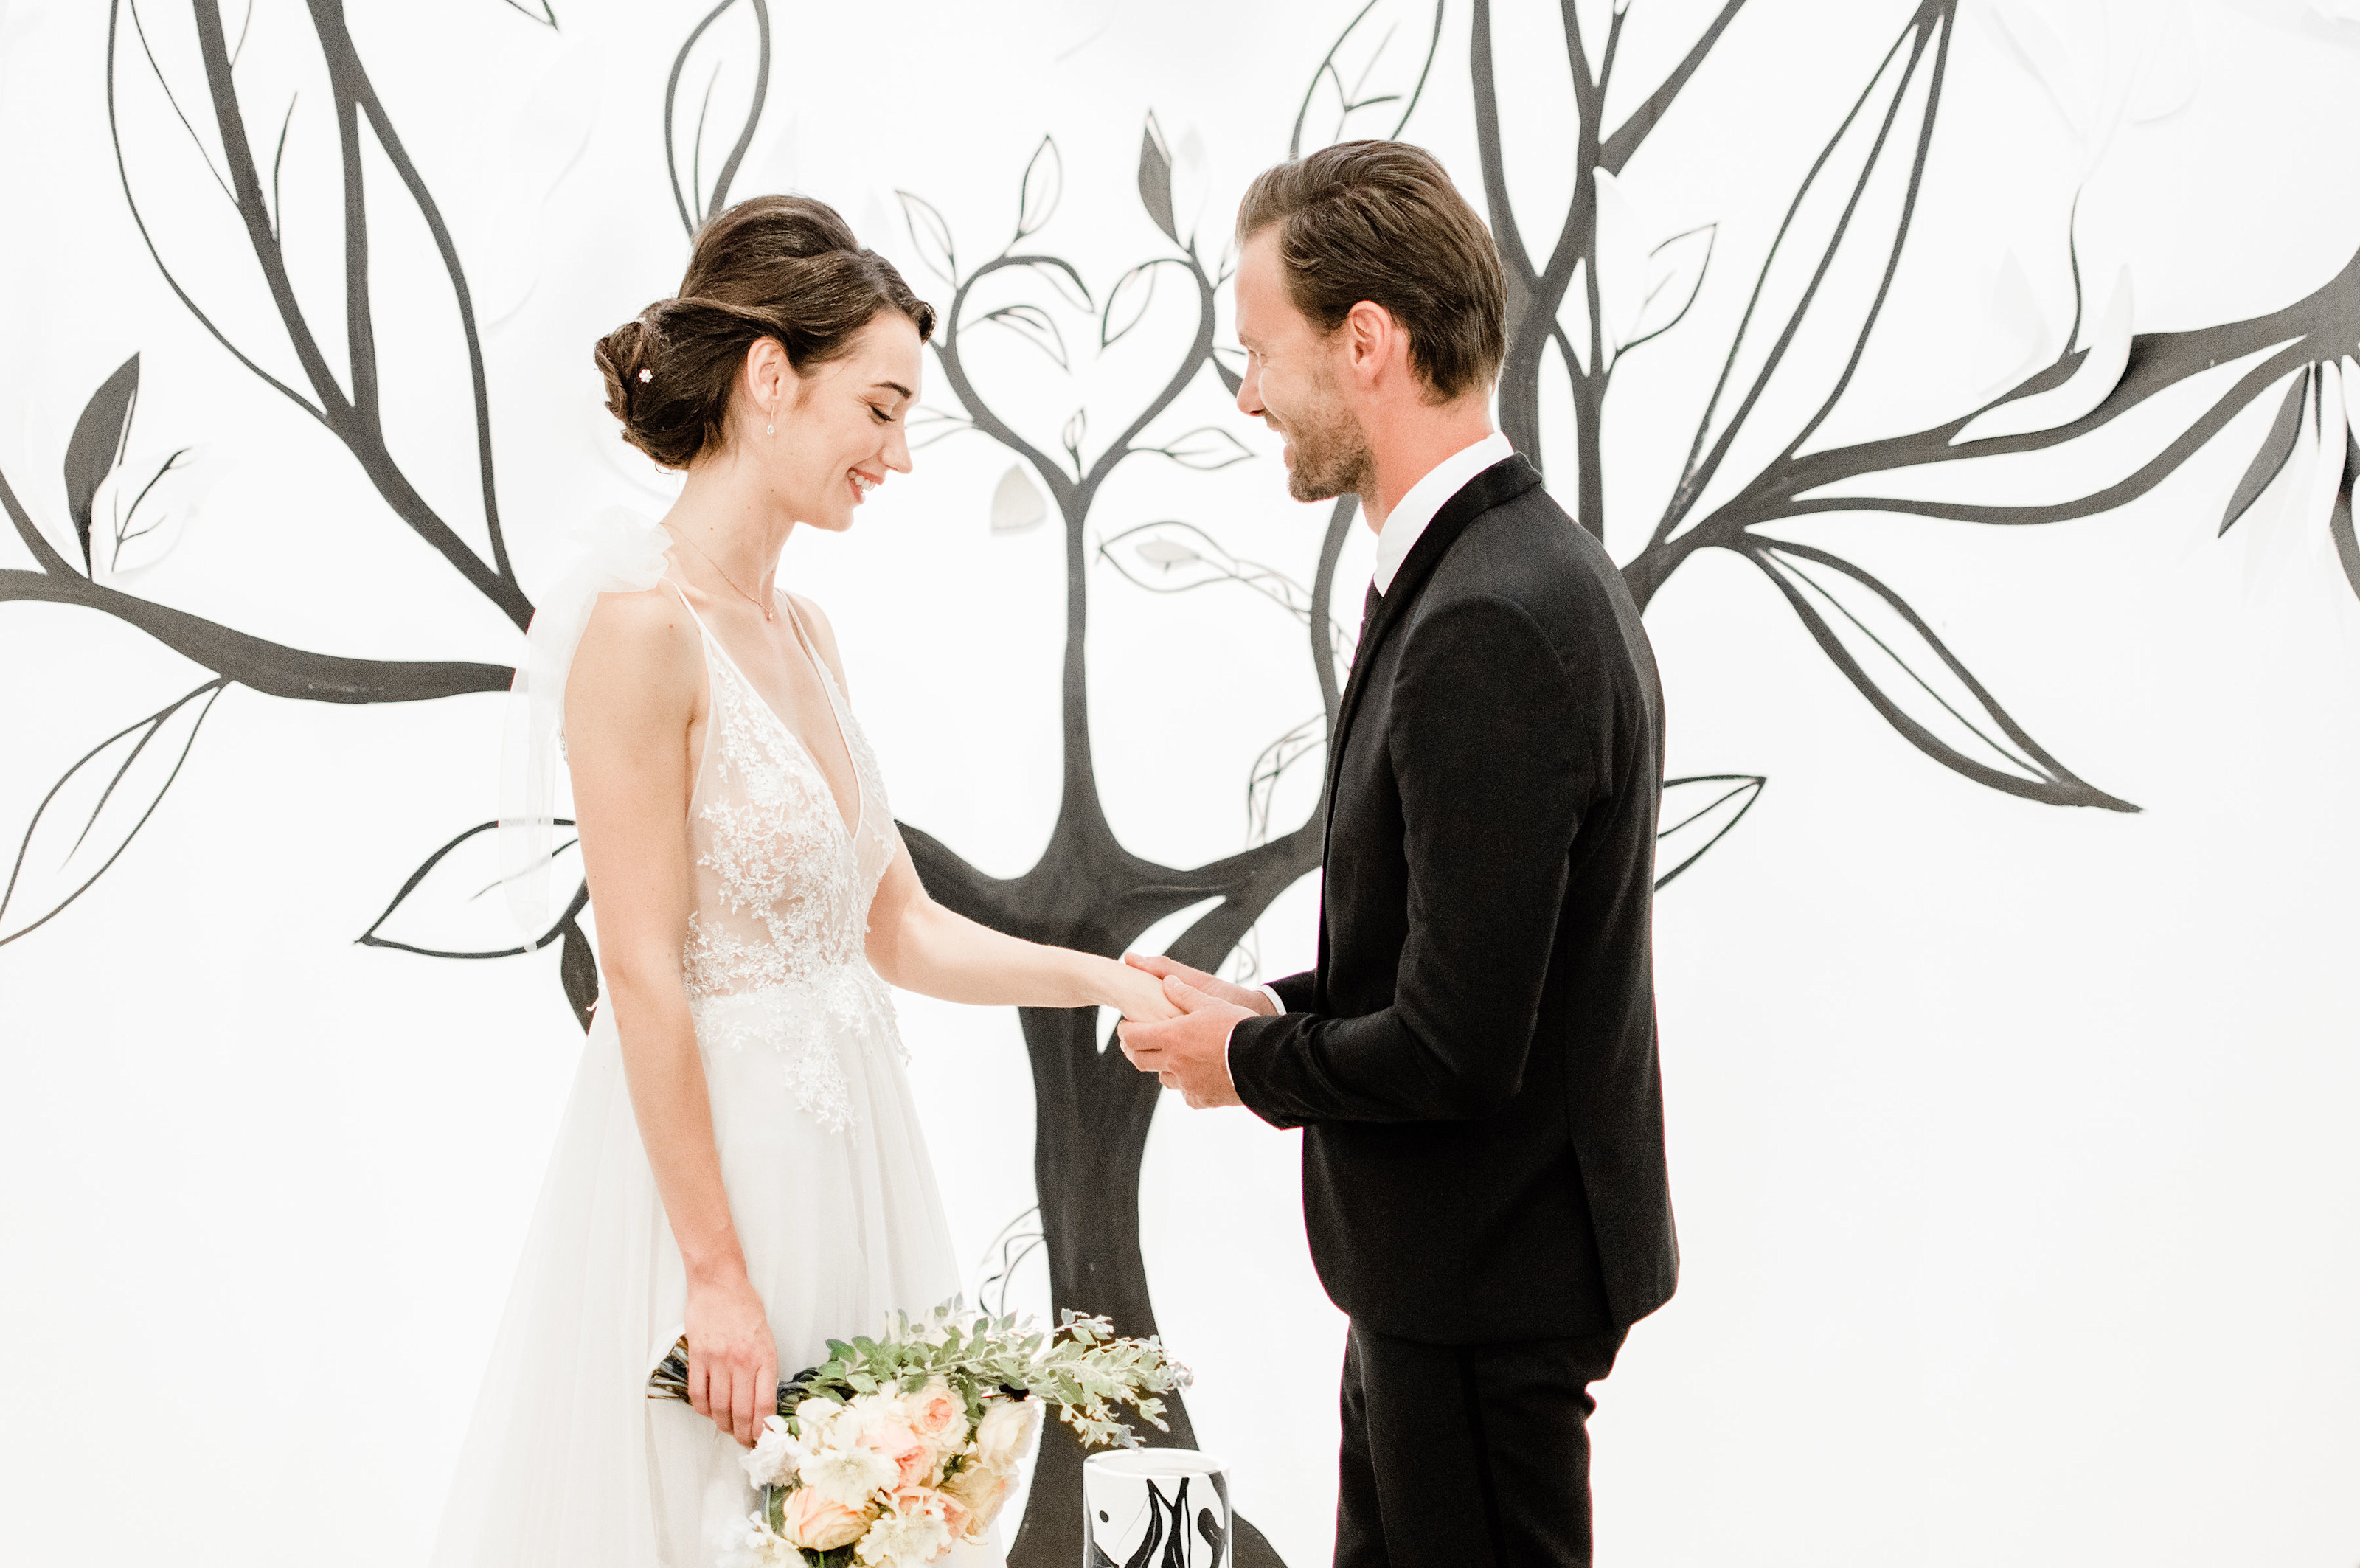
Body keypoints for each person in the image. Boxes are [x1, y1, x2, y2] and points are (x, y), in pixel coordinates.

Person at [434, 195, 1176, 1568]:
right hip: (715, 1195)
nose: (898, 455)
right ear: (772, 380)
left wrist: (1101, 975)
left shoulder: (808, 633)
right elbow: (643, 971)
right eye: (881, 407)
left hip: (851, 1171)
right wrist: (716, 1276)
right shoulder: (638, 632)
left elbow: (895, 926)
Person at [1117, 142, 1677, 1567]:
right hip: (1462, 1280)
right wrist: (1279, 1010)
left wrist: (1242, 1066)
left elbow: (1456, 1045)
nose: (1245, 393)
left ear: (1367, 342)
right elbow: (1467, 959)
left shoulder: (1490, 616)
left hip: (1481, 1290)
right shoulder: (1506, 570)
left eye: (1260, 350)